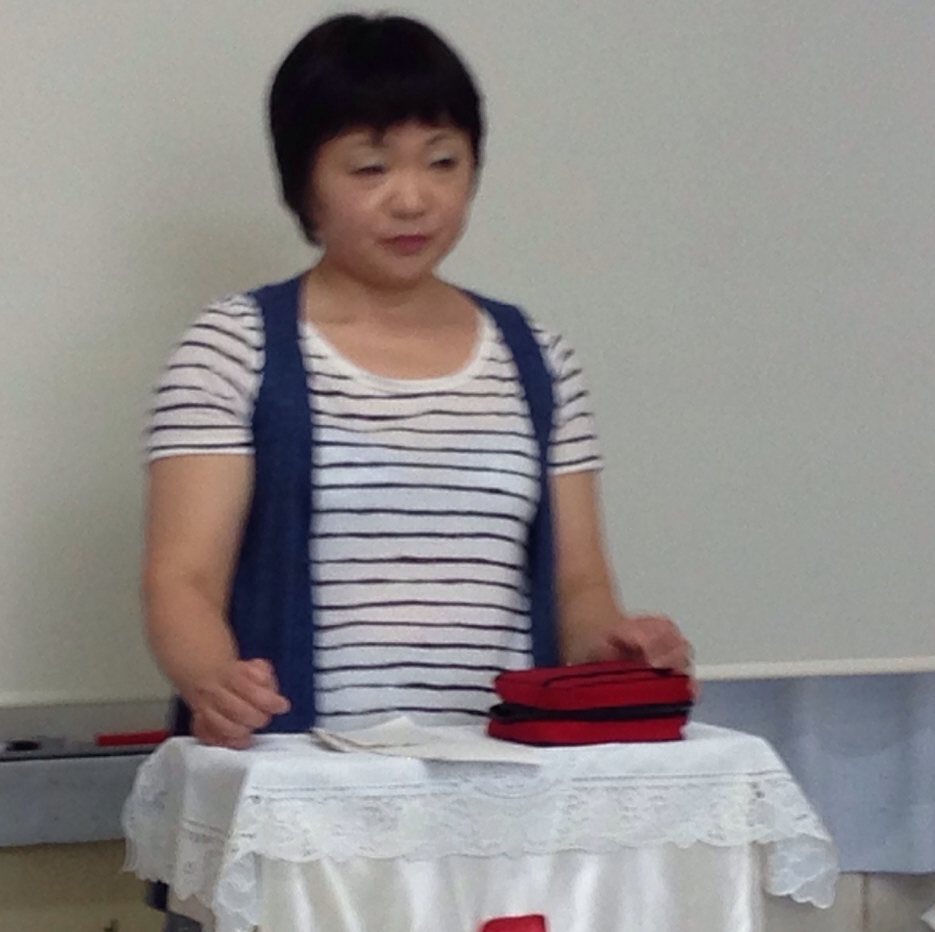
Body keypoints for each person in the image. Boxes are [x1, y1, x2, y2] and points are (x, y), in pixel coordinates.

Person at [143, 12, 690, 749]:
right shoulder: (234, 347)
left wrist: (615, 652)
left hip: (500, 782)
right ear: (305, 184)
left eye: (442, 161)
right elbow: (182, 580)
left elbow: (579, 588)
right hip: (304, 779)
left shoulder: (538, 358)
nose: (412, 199)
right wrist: (214, 680)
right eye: (370, 168)